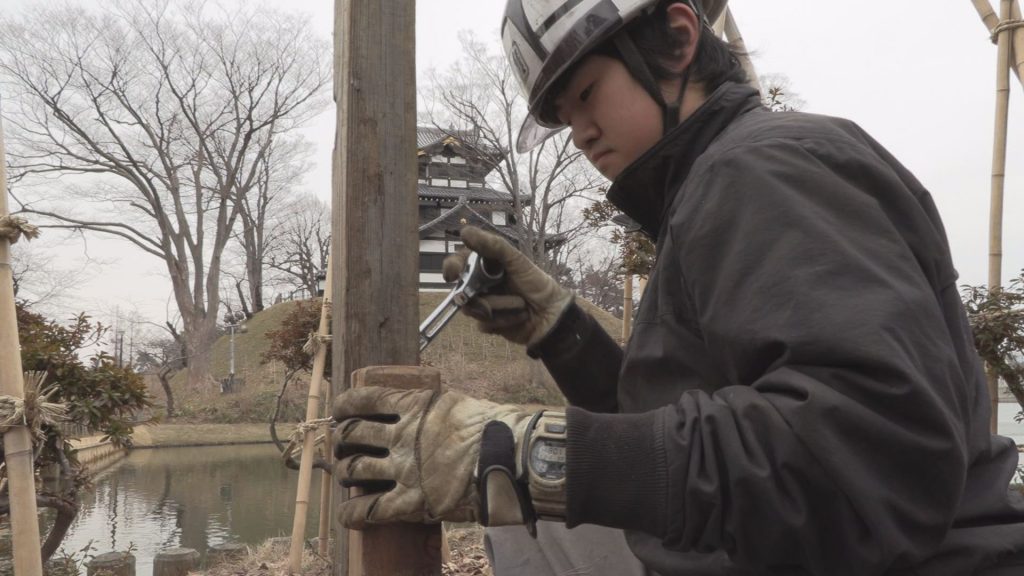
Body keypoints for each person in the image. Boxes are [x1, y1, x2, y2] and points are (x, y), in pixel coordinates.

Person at [331, 1, 1024, 574]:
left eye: (588, 93)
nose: (580, 132)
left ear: (679, 39)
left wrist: (527, 453)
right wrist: (563, 334)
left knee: (534, 524)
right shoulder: (713, 190)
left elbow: (867, 453)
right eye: (563, 115)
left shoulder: (763, 172)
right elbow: (697, 435)